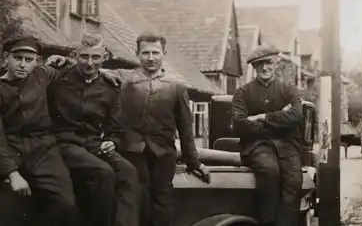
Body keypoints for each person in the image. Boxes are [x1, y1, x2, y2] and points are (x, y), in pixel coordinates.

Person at [49, 32, 211, 226]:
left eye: (155, 53)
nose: (151, 58)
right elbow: (91, 68)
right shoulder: (123, 77)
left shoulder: (176, 86)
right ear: (137, 54)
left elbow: (185, 128)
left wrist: (194, 162)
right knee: (134, 199)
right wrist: (64, 61)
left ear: (164, 54)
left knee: (163, 204)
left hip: (163, 155)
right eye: (145, 53)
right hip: (132, 151)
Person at [46, 33, 140, 226]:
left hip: (94, 144)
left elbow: (114, 127)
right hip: (65, 143)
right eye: (84, 56)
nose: (90, 63)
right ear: (75, 55)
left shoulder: (110, 87)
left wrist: (111, 142)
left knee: (128, 172)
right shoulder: (58, 79)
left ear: (104, 57)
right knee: (103, 173)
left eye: (95, 57)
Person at [0, 35, 79, 226]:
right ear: (5, 58)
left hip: (44, 149)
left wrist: (66, 59)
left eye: (29, 60)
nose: (23, 65)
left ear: (37, 61)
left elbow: (76, 68)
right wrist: (12, 173)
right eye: (17, 58)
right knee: (9, 210)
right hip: (11, 150)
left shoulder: (42, 74)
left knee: (66, 205)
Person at [231, 44, 304, 226]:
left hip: (287, 145)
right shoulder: (243, 93)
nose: (265, 67)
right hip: (257, 145)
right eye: (259, 64)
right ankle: (267, 222)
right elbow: (239, 124)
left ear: (275, 63)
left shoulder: (288, 89)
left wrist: (261, 117)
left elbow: (296, 116)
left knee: (293, 181)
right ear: (254, 67)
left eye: (268, 62)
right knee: (269, 172)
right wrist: (279, 123)